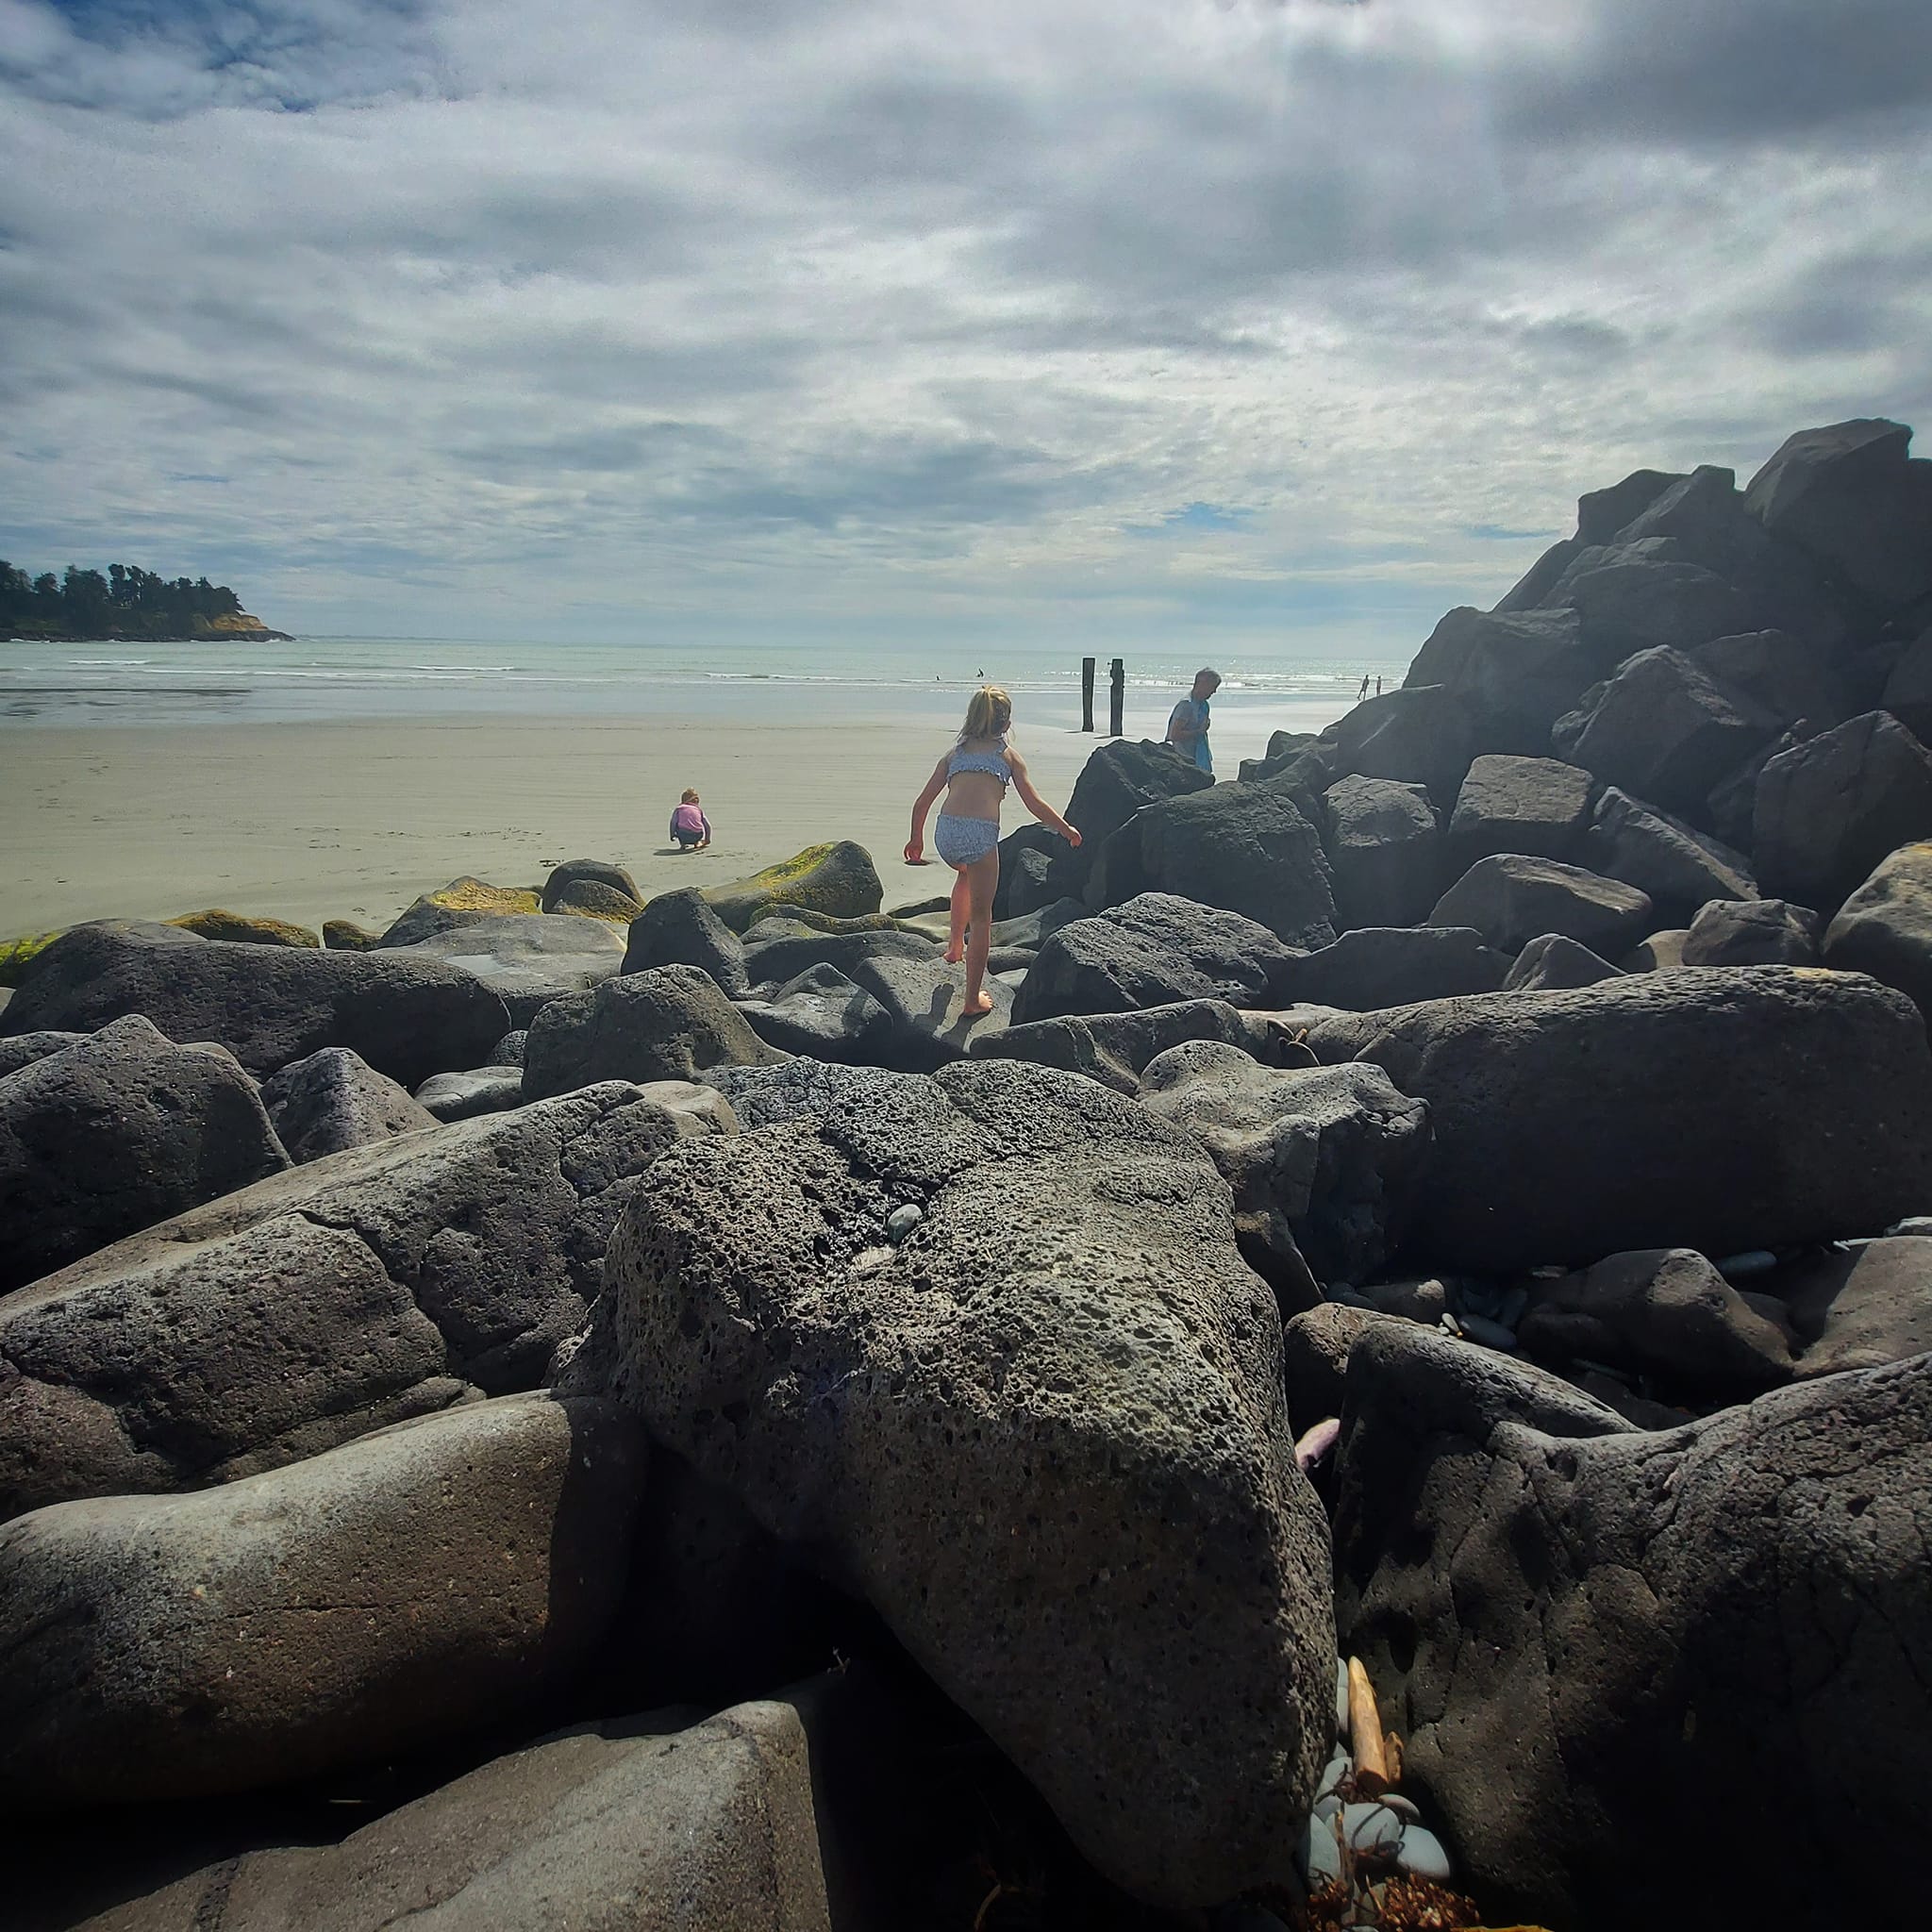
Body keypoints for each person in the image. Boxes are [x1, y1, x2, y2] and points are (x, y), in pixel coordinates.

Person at [905, 684, 1080, 1017]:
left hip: (947, 833)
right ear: (1006, 722)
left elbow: (922, 802)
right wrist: (1065, 828)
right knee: (983, 917)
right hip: (980, 836)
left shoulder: (955, 754)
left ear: (971, 717)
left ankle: (955, 946)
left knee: (963, 874)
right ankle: (971, 1000)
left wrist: (917, 840)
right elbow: (1034, 803)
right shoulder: (1007, 756)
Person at [1165, 667, 1221, 774]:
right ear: (1202, 684)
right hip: (1184, 760)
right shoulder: (1186, 705)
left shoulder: (1204, 705)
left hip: (1200, 757)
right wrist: (1199, 731)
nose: (1214, 691)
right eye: (1213, 687)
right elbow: (1174, 735)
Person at [669, 788, 711, 852]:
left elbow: (673, 823)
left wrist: (672, 834)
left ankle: (683, 844)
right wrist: (707, 839)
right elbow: (707, 825)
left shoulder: (679, 809)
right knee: (696, 826)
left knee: (678, 825)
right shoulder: (698, 810)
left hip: (683, 835)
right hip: (698, 835)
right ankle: (696, 843)